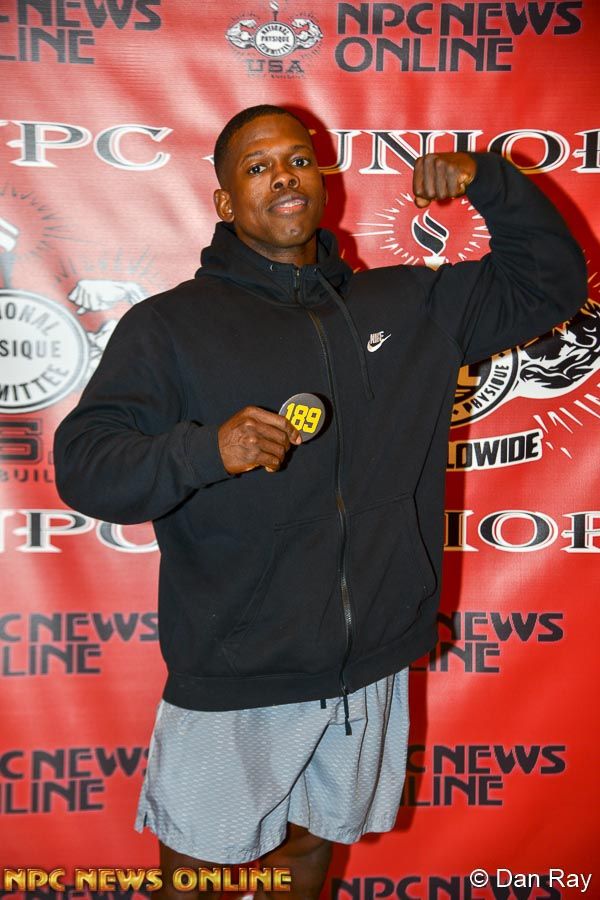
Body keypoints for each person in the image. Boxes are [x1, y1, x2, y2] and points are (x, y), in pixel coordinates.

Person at [53, 105, 587, 897]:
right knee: (198, 866)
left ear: (323, 183)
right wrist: (206, 451)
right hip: (240, 665)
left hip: (368, 659)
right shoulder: (169, 328)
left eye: (298, 160)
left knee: (312, 846)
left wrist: (491, 181)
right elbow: (85, 466)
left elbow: (550, 284)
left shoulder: (407, 305)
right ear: (225, 201)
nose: (284, 175)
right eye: (258, 166)